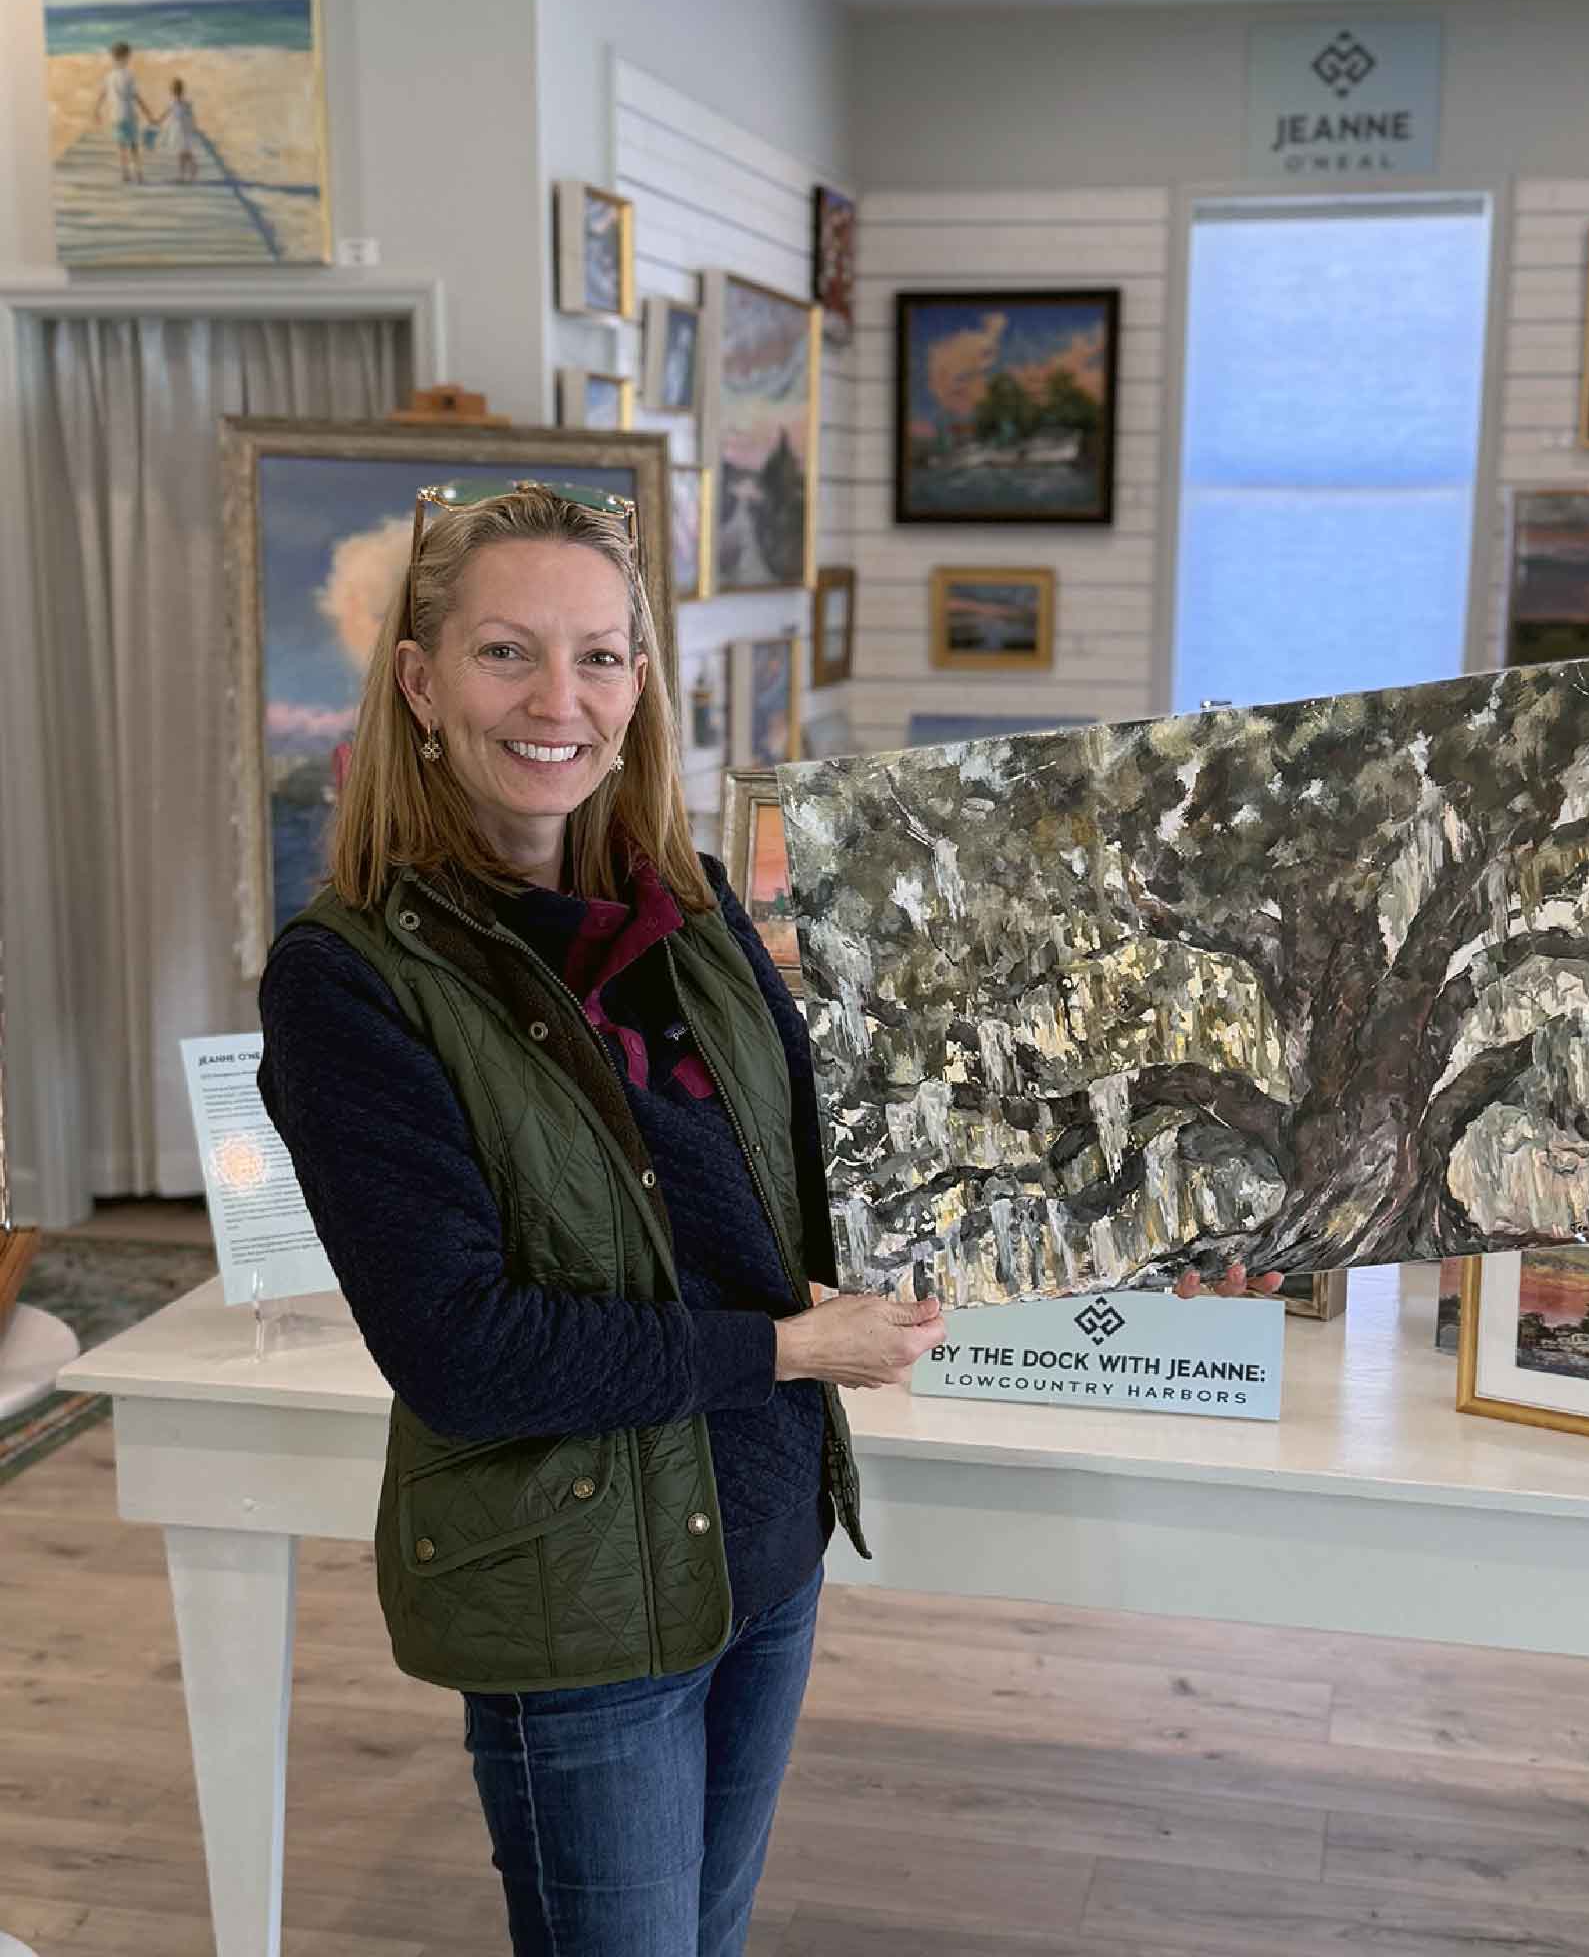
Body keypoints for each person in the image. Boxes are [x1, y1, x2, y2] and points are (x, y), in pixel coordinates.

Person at [257, 479, 1278, 1954]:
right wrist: (795, 1353)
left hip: (766, 1541)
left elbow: (830, 1194)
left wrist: (1140, 1219)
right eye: (507, 653)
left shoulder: (696, 904)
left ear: (641, 682)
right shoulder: (351, 981)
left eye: (603, 654)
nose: (562, 699)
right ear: (417, 682)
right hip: (581, 1589)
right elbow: (463, 1349)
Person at [93, 41, 155, 185]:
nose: (129, 59)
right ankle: (139, 174)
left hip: (116, 115)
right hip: (129, 114)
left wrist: (96, 110)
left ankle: (125, 174)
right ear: (126, 57)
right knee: (134, 146)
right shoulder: (129, 75)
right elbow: (136, 96)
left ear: (113, 57)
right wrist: (147, 113)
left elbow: (102, 94)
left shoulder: (109, 76)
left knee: (121, 146)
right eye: (128, 56)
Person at [158, 77, 198, 183]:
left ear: (172, 91)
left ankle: (188, 172)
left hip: (179, 131)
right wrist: (193, 128)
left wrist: (157, 121)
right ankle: (185, 173)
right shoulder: (186, 103)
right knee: (183, 153)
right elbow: (191, 117)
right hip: (184, 130)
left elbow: (165, 114)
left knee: (183, 153)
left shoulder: (174, 103)